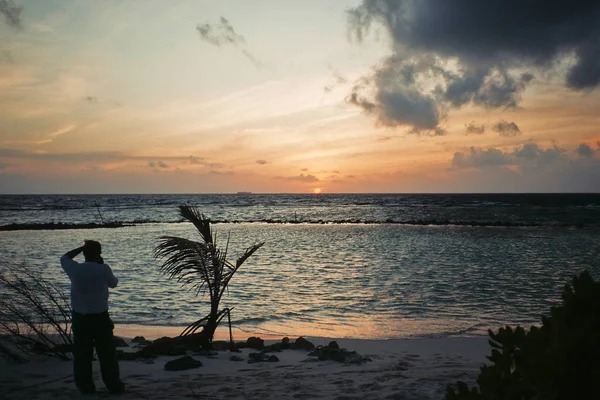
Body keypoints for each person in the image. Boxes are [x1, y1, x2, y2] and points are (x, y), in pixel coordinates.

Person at [60, 240, 125, 395]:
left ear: (84, 253)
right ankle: (113, 386)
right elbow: (113, 283)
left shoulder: (75, 269)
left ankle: (85, 387)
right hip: (100, 318)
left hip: (80, 319)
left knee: (82, 355)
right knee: (107, 354)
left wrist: (81, 248)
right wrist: (100, 264)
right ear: (99, 253)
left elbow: (64, 257)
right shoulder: (103, 269)